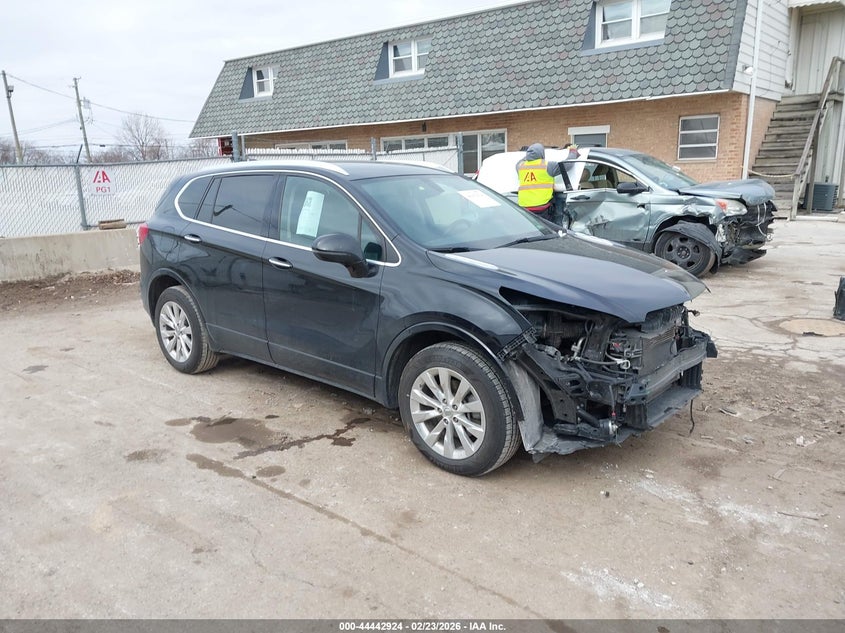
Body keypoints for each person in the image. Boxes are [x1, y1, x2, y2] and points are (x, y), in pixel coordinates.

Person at [516, 142, 578, 224]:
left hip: (524, 209)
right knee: (546, 231)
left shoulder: (520, 166)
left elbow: (523, 159)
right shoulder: (548, 166)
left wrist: (529, 154)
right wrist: (573, 152)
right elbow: (567, 165)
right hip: (542, 208)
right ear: (542, 154)